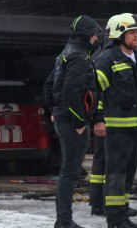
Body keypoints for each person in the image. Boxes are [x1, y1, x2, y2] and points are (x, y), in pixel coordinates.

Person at [95, 13, 137, 228]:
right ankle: (114, 220)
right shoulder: (106, 59)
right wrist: (98, 120)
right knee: (116, 173)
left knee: (129, 173)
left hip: (135, 128)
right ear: (119, 34)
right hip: (116, 128)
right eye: (132, 32)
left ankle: (123, 215)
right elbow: (94, 93)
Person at [48, 15, 105, 228]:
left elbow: (49, 84)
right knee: (70, 172)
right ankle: (64, 222)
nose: (96, 39)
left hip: (66, 119)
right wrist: (80, 121)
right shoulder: (79, 57)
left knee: (69, 171)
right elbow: (71, 90)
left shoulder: (66, 53)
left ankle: (63, 220)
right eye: (94, 35)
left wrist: (55, 110)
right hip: (74, 124)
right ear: (86, 35)